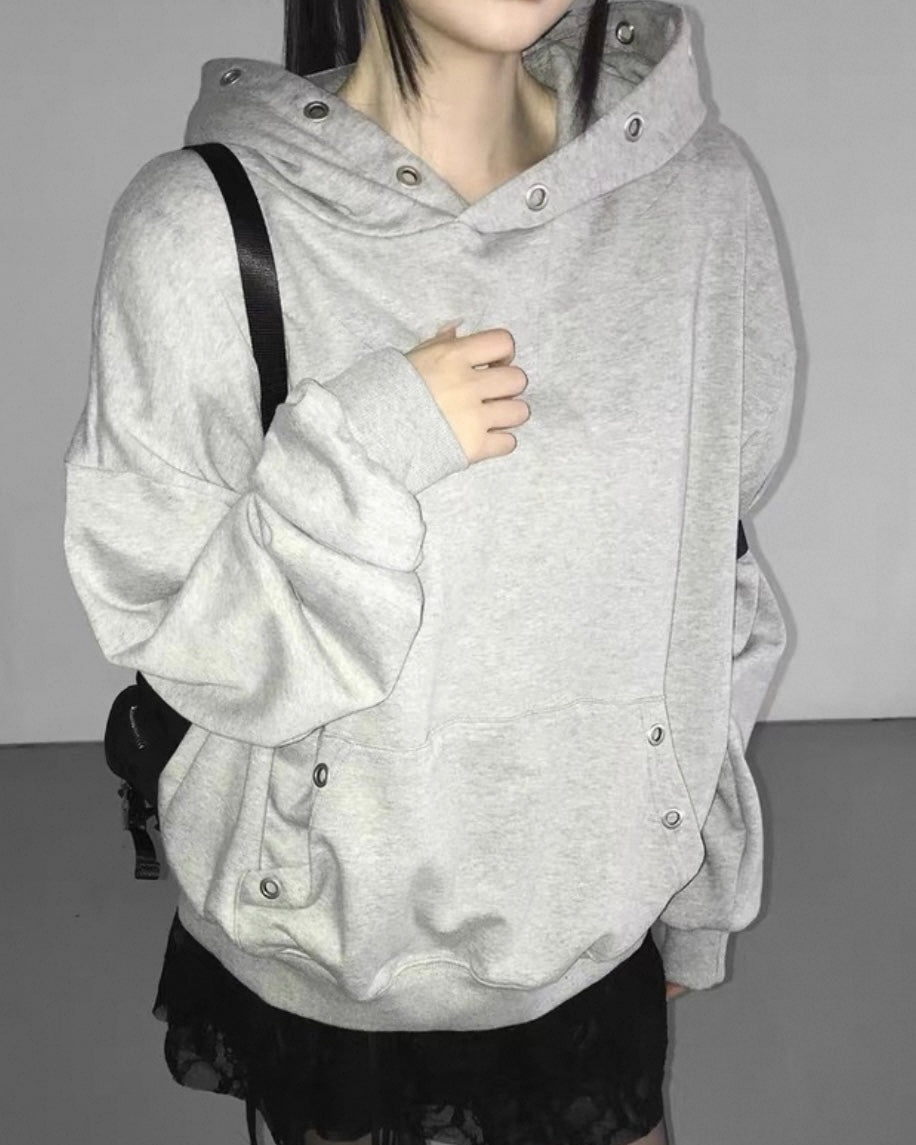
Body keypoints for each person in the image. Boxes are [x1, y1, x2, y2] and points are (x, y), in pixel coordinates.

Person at [62, 1, 797, 1143]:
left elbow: (709, 577)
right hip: (329, 941)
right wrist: (367, 444)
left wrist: (693, 885)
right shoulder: (201, 226)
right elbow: (185, 640)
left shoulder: (699, 197)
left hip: (588, 926)